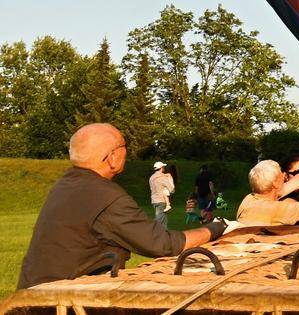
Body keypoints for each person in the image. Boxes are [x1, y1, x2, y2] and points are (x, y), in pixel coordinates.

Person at [16, 124, 226, 291]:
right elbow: (162, 244)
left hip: (34, 291)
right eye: (124, 147)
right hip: (59, 300)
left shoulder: (65, 185)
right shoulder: (105, 196)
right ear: (112, 157)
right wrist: (215, 228)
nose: (127, 152)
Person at [148, 162, 175, 231]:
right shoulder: (163, 178)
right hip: (162, 200)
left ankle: (164, 234)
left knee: (164, 219)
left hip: (154, 200)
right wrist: (171, 179)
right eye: (163, 167)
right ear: (161, 168)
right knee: (160, 218)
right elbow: (172, 190)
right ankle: (149, 230)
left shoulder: (151, 178)